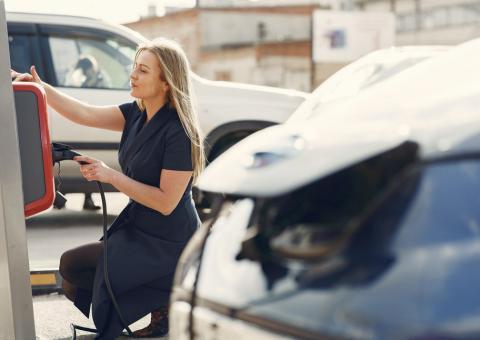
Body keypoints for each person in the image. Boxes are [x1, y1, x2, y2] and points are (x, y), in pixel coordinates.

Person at [25, 38, 205, 339]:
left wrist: (109, 175)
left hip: (169, 240)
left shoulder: (179, 132)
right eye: (134, 67)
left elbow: (166, 203)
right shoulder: (136, 113)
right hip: (139, 229)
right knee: (73, 268)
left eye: (143, 70)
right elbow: (84, 114)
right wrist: (39, 88)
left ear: (165, 83)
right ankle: (162, 300)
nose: (133, 75)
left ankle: (165, 293)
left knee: (89, 273)